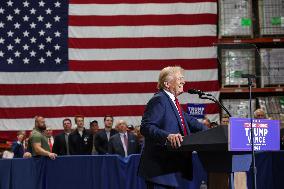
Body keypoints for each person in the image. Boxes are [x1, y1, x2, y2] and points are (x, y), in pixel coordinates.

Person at [138, 66, 208, 188]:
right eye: (180, 78)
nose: (184, 82)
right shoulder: (159, 100)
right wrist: (167, 136)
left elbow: (194, 123)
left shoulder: (174, 103)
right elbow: (146, 127)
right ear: (167, 84)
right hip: (160, 171)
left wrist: (218, 132)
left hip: (173, 172)